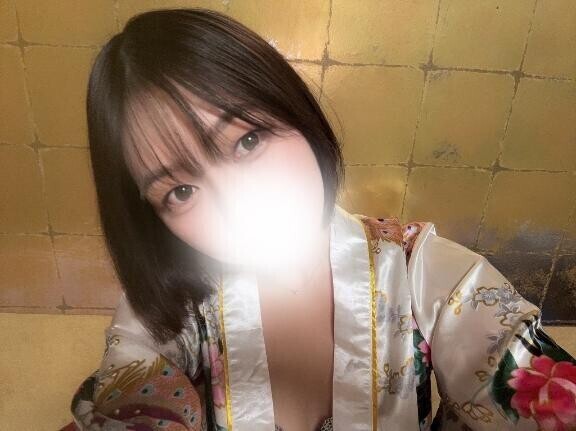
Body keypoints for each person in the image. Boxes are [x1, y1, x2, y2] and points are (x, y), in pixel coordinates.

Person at [61, 8, 576, 431]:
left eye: (247, 140)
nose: (235, 203)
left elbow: (536, 387)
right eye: (181, 191)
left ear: (294, 112)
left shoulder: (422, 272)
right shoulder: (165, 308)